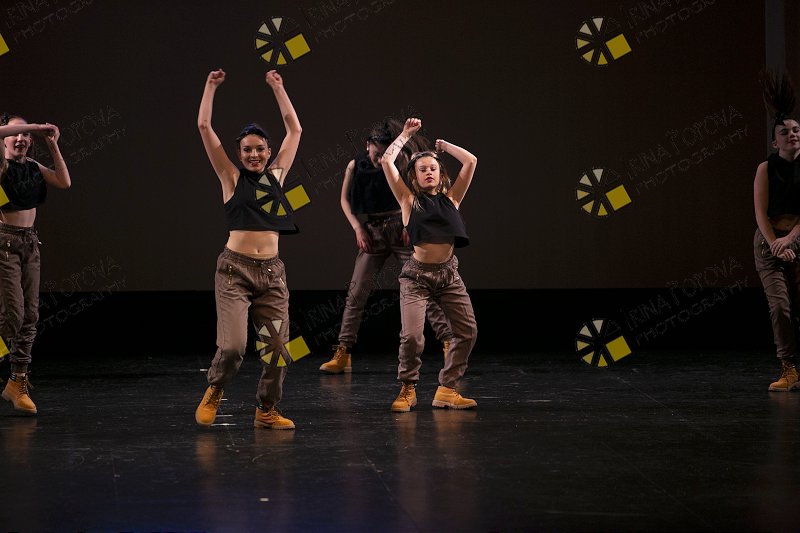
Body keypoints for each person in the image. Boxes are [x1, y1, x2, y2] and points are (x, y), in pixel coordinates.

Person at [195, 69, 302, 429]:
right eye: (247, 150)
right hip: (234, 271)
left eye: (260, 149)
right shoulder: (230, 178)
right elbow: (204, 128)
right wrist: (211, 87)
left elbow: (295, 129)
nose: (254, 154)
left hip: (272, 274)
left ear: (269, 152)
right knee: (233, 347)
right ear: (239, 153)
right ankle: (215, 388)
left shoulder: (276, 177)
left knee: (278, 349)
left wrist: (278, 86)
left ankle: (266, 410)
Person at [319, 120, 453, 374]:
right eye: (377, 153)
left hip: (401, 229)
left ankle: (448, 343)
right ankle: (343, 352)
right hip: (373, 233)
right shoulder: (355, 165)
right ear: (367, 145)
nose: (381, 159)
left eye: (385, 153)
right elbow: (344, 200)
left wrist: (410, 225)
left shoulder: (402, 160)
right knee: (356, 293)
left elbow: (415, 195)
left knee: (423, 287)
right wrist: (358, 228)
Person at [381, 118, 478, 412]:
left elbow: (471, 161)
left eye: (433, 168)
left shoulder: (452, 199)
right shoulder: (408, 200)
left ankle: (447, 389)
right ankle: (408, 388)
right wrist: (405, 135)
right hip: (417, 278)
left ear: (440, 173)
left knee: (467, 331)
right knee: (412, 336)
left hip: (449, 275)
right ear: (414, 177)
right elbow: (387, 162)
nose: (428, 172)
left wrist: (444, 147)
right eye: (422, 170)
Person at [0, 114, 71, 414]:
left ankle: (17, 382)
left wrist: (52, 144)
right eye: (14, 134)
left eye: (25, 136)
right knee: (13, 316)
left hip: (30, 243)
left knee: (30, 316)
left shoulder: (32, 166)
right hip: (4, 244)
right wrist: (34, 128)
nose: (21, 139)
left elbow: (64, 181)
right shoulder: (2, 166)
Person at [753, 69, 800, 391]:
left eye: (796, 130)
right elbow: (760, 211)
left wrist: (792, 238)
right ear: (775, 141)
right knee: (780, 307)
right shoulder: (766, 168)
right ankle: (789, 369)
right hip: (769, 244)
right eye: (785, 132)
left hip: (797, 238)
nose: (792, 135)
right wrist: (775, 244)